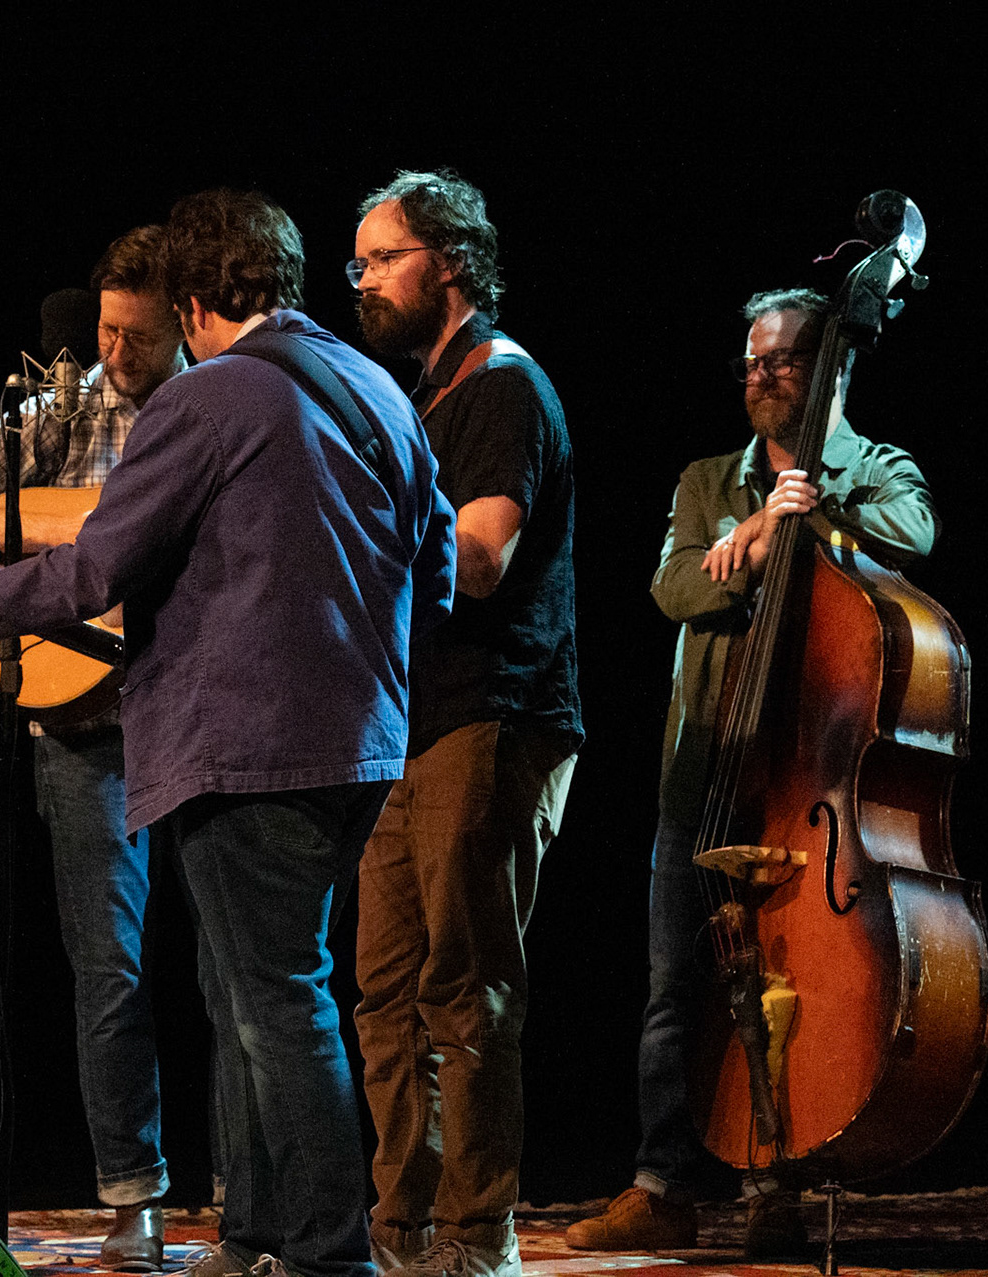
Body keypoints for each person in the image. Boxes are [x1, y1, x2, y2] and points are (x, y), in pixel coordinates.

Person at [0, 189, 457, 1277]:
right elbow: (442, 566)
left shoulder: (207, 398)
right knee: (251, 993)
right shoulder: (375, 385)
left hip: (248, 747)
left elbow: (94, 570)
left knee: (279, 1004)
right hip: (362, 741)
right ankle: (258, 1231)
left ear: (189, 304)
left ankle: (330, 1254)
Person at [563, 288, 938, 1257]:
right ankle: (662, 1184)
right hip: (707, 776)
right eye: (751, 361)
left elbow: (916, 529)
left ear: (828, 368)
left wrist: (815, 515)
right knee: (673, 988)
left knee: (789, 987)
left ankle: (777, 1179)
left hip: (809, 784)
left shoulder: (876, 467)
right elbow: (672, 586)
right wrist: (760, 535)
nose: (760, 375)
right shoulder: (705, 482)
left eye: (780, 360)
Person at [0, 226, 188, 1272]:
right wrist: (75, 531)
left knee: (235, 970)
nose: (113, 352)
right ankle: (133, 1195)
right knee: (107, 964)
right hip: (82, 726)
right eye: (106, 330)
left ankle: (262, 1198)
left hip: (197, 712)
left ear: (185, 323)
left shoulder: (210, 410)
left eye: (136, 336)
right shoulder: (61, 410)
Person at [346, 172, 582, 1277]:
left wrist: (353, 520)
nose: (363, 281)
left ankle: (479, 1234)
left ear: (448, 260)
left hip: (493, 713)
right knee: (384, 991)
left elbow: (479, 559)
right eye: (355, 263)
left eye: (382, 258)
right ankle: (401, 1227)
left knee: (465, 982)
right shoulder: (425, 394)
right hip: (409, 721)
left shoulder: (503, 385)